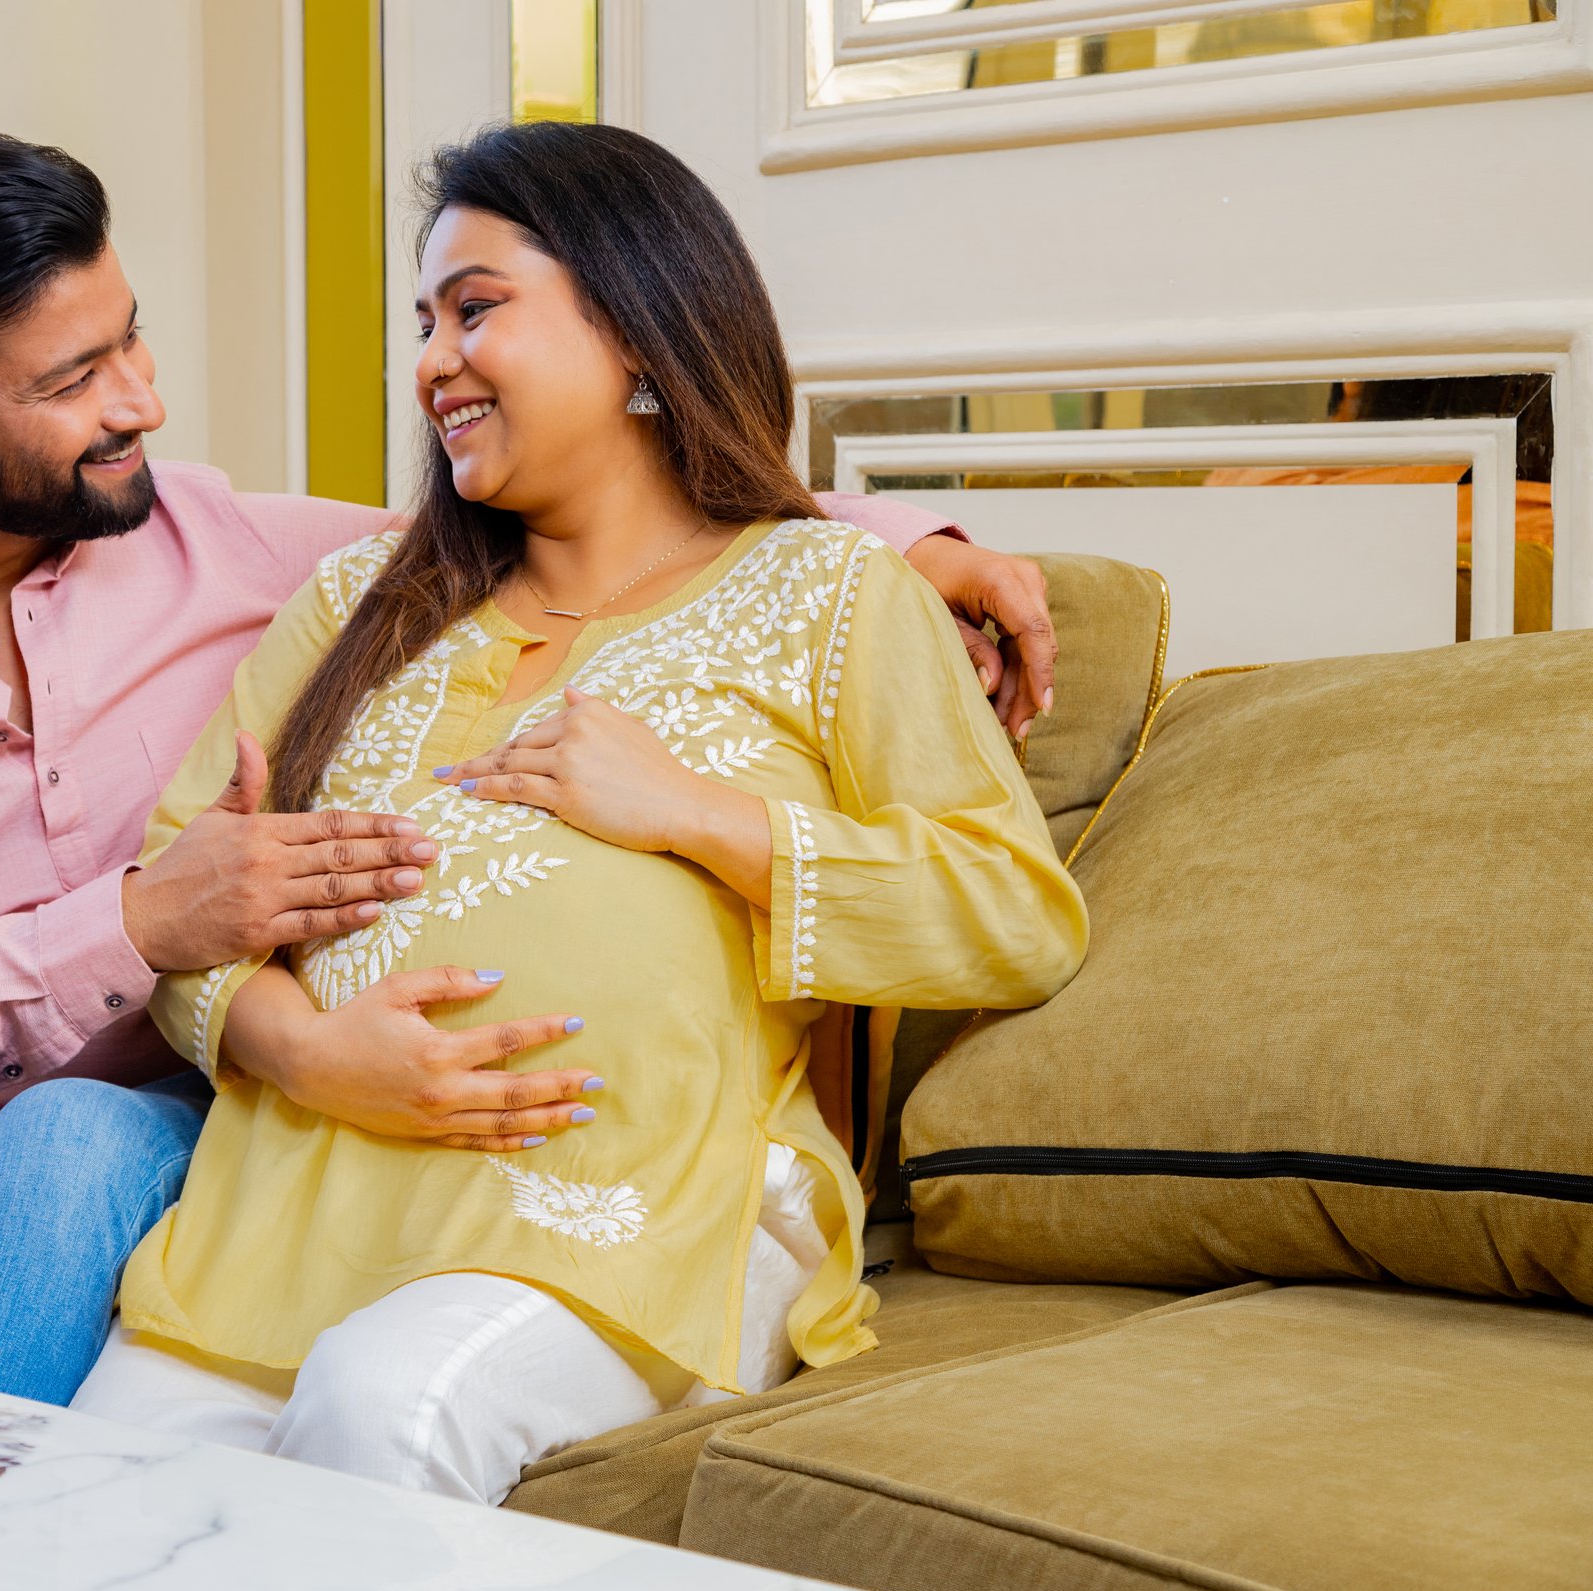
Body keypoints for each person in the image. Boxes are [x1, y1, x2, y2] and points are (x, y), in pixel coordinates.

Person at [0, 128, 1063, 1407]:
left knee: (75, 1147)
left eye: (130, 340)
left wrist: (912, 543)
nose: (143, 402)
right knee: (5, 1306)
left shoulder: (248, 549)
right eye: (77, 380)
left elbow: (607, 511)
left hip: (178, 1117)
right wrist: (141, 926)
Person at [68, 121, 1087, 1501]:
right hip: (283, 1216)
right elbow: (174, 900)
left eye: (476, 308)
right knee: (87, 1508)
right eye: (425, 321)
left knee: (392, 1404)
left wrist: (697, 817)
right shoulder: (353, 607)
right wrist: (300, 1049)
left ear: (639, 322)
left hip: (645, 1213)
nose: (431, 360)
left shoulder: (835, 597)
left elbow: (1013, 911)